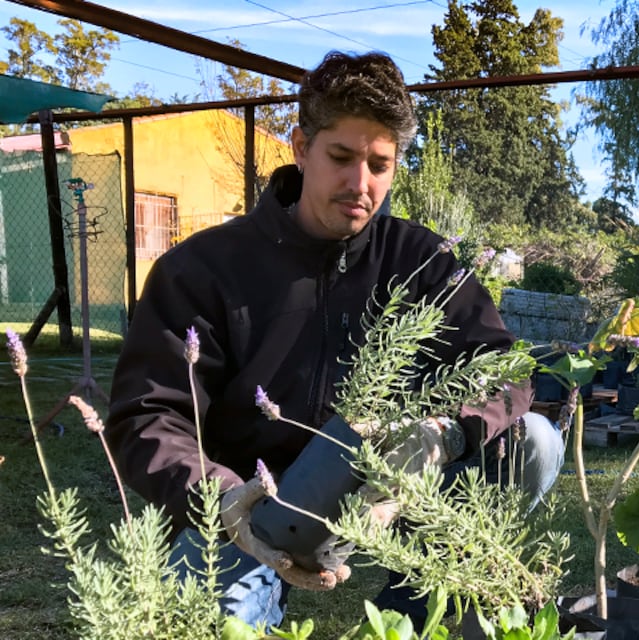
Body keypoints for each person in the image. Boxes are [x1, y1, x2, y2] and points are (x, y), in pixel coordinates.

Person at [105, 50, 564, 630]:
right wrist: (220, 495)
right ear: (301, 147)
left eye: (380, 164)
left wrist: (442, 435)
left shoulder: (422, 261)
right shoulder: (202, 269)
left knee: (534, 441)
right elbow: (147, 415)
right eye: (341, 157)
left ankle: (417, 615)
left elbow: (500, 366)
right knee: (205, 622)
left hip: (393, 486)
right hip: (257, 504)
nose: (360, 184)